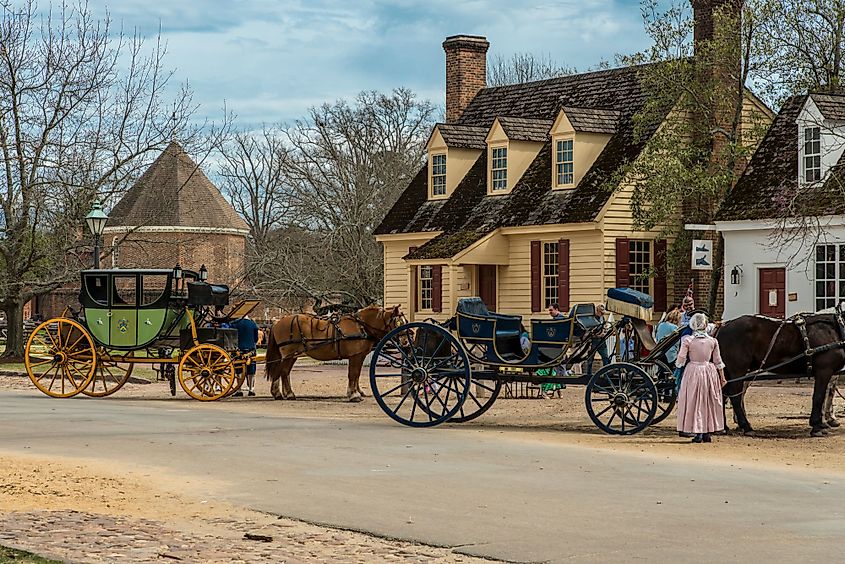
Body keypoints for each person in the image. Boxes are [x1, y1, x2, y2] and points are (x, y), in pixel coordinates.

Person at [675, 312, 727, 443]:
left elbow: (680, 360)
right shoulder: (713, 341)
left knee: (694, 401)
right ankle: (707, 432)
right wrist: (722, 377)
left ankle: (698, 431)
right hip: (709, 372)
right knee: (708, 401)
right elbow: (718, 361)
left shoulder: (688, 340)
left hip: (693, 371)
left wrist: (678, 368)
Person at [229, 315, 260, 397]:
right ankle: (251, 389)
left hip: (238, 349)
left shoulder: (234, 324)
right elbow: (256, 338)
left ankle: (239, 389)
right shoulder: (252, 324)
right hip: (250, 349)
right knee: (251, 371)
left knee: (238, 370)